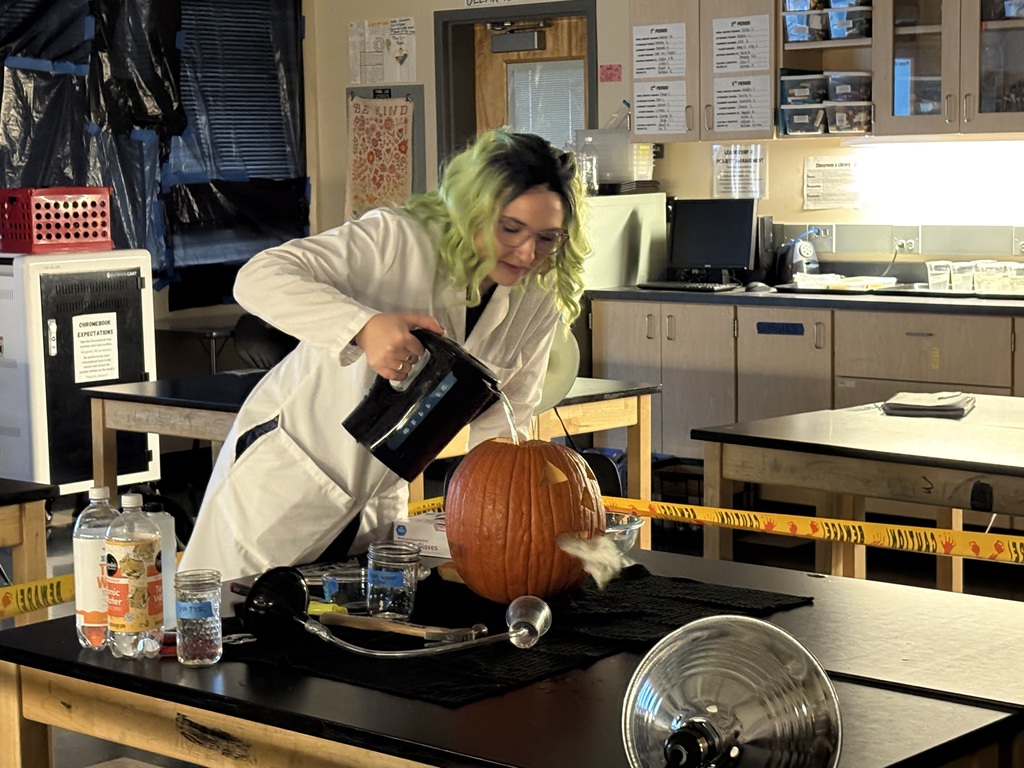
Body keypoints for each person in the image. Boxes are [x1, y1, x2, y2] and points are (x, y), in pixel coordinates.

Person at [179, 128, 591, 581]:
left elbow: (503, 422)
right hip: (284, 488)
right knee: (233, 629)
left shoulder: (539, 297)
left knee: (347, 634)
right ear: (476, 209)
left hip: (376, 510)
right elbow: (258, 277)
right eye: (510, 228)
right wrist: (364, 327)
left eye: (548, 238)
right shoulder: (397, 240)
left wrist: (500, 531)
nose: (528, 252)